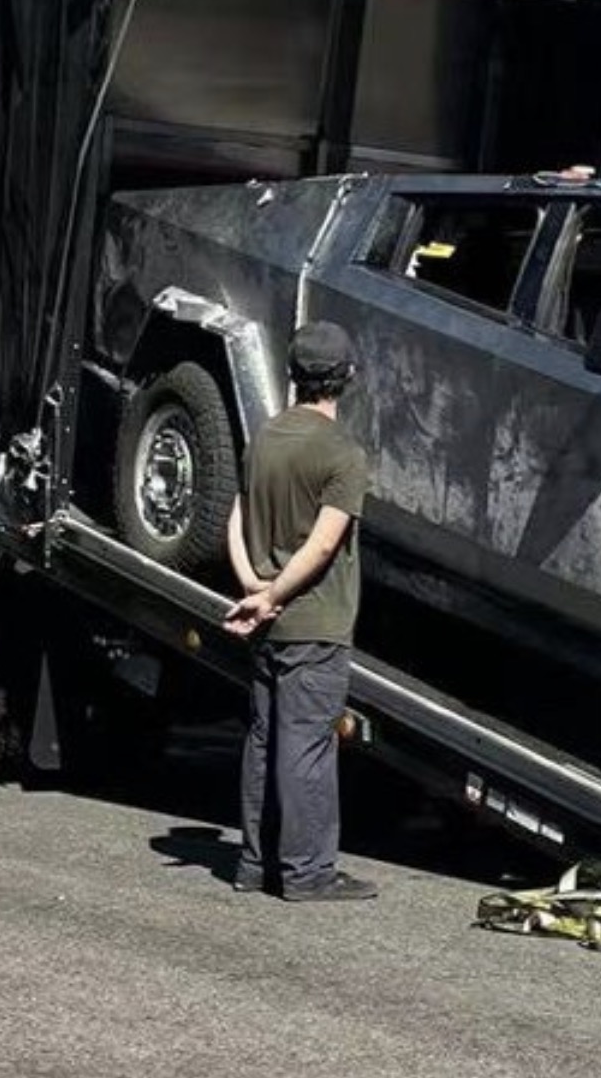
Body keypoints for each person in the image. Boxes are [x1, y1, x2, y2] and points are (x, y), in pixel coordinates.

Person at [223, 319, 377, 902]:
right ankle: (308, 873)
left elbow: (235, 520)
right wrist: (277, 594)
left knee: (264, 740)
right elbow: (322, 545)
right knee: (307, 745)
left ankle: (253, 863)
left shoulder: (263, 438)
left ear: (292, 374)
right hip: (315, 621)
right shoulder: (343, 454)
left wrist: (254, 588)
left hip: (267, 621)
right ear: (348, 378)